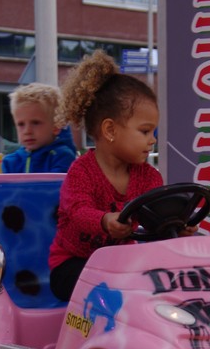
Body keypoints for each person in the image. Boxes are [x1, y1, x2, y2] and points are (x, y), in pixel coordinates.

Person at [49, 49, 165, 302]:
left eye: (153, 132)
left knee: (160, 280)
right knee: (112, 284)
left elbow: (158, 216)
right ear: (110, 130)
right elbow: (78, 211)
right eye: (145, 131)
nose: (152, 140)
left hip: (120, 264)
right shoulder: (81, 171)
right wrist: (104, 221)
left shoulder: (149, 178)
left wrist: (176, 225)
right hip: (72, 264)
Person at [1, 82, 76, 174]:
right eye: (21, 124)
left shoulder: (62, 156)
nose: (27, 131)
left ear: (56, 127)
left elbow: (55, 183)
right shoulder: (11, 162)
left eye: (35, 123)